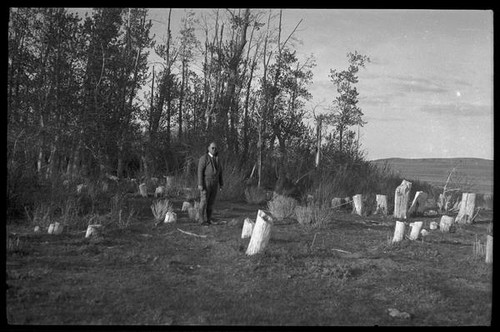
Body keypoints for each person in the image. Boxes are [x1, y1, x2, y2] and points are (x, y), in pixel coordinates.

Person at [197, 142, 223, 225]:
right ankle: (201, 220)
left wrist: (221, 183)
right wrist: (200, 184)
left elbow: (220, 172)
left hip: (214, 183)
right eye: (212, 148)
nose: (214, 149)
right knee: (204, 201)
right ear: (208, 148)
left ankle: (209, 219)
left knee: (211, 202)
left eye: (215, 148)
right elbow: (200, 172)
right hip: (206, 182)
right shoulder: (204, 158)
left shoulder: (217, 159)